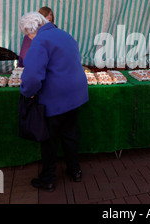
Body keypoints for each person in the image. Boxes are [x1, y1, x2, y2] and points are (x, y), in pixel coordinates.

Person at [19, 12, 88, 192]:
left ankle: (48, 179)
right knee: (69, 134)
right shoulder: (65, 34)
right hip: (75, 95)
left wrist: (28, 92)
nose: (28, 38)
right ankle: (75, 171)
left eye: (27, 34)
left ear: (30, 29)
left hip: (55, 97)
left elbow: (32, 77)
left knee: (48, 140)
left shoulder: (40, 41)